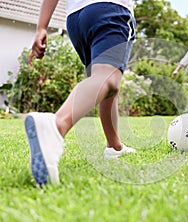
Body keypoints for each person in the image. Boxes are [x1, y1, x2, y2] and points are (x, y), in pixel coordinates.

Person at [25, 0, 137, 185]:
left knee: (102, 81)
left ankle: (114, 146)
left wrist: (41, 28)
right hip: (111, 9)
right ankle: (57, 126)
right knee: (106, 78)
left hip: (77, 20)